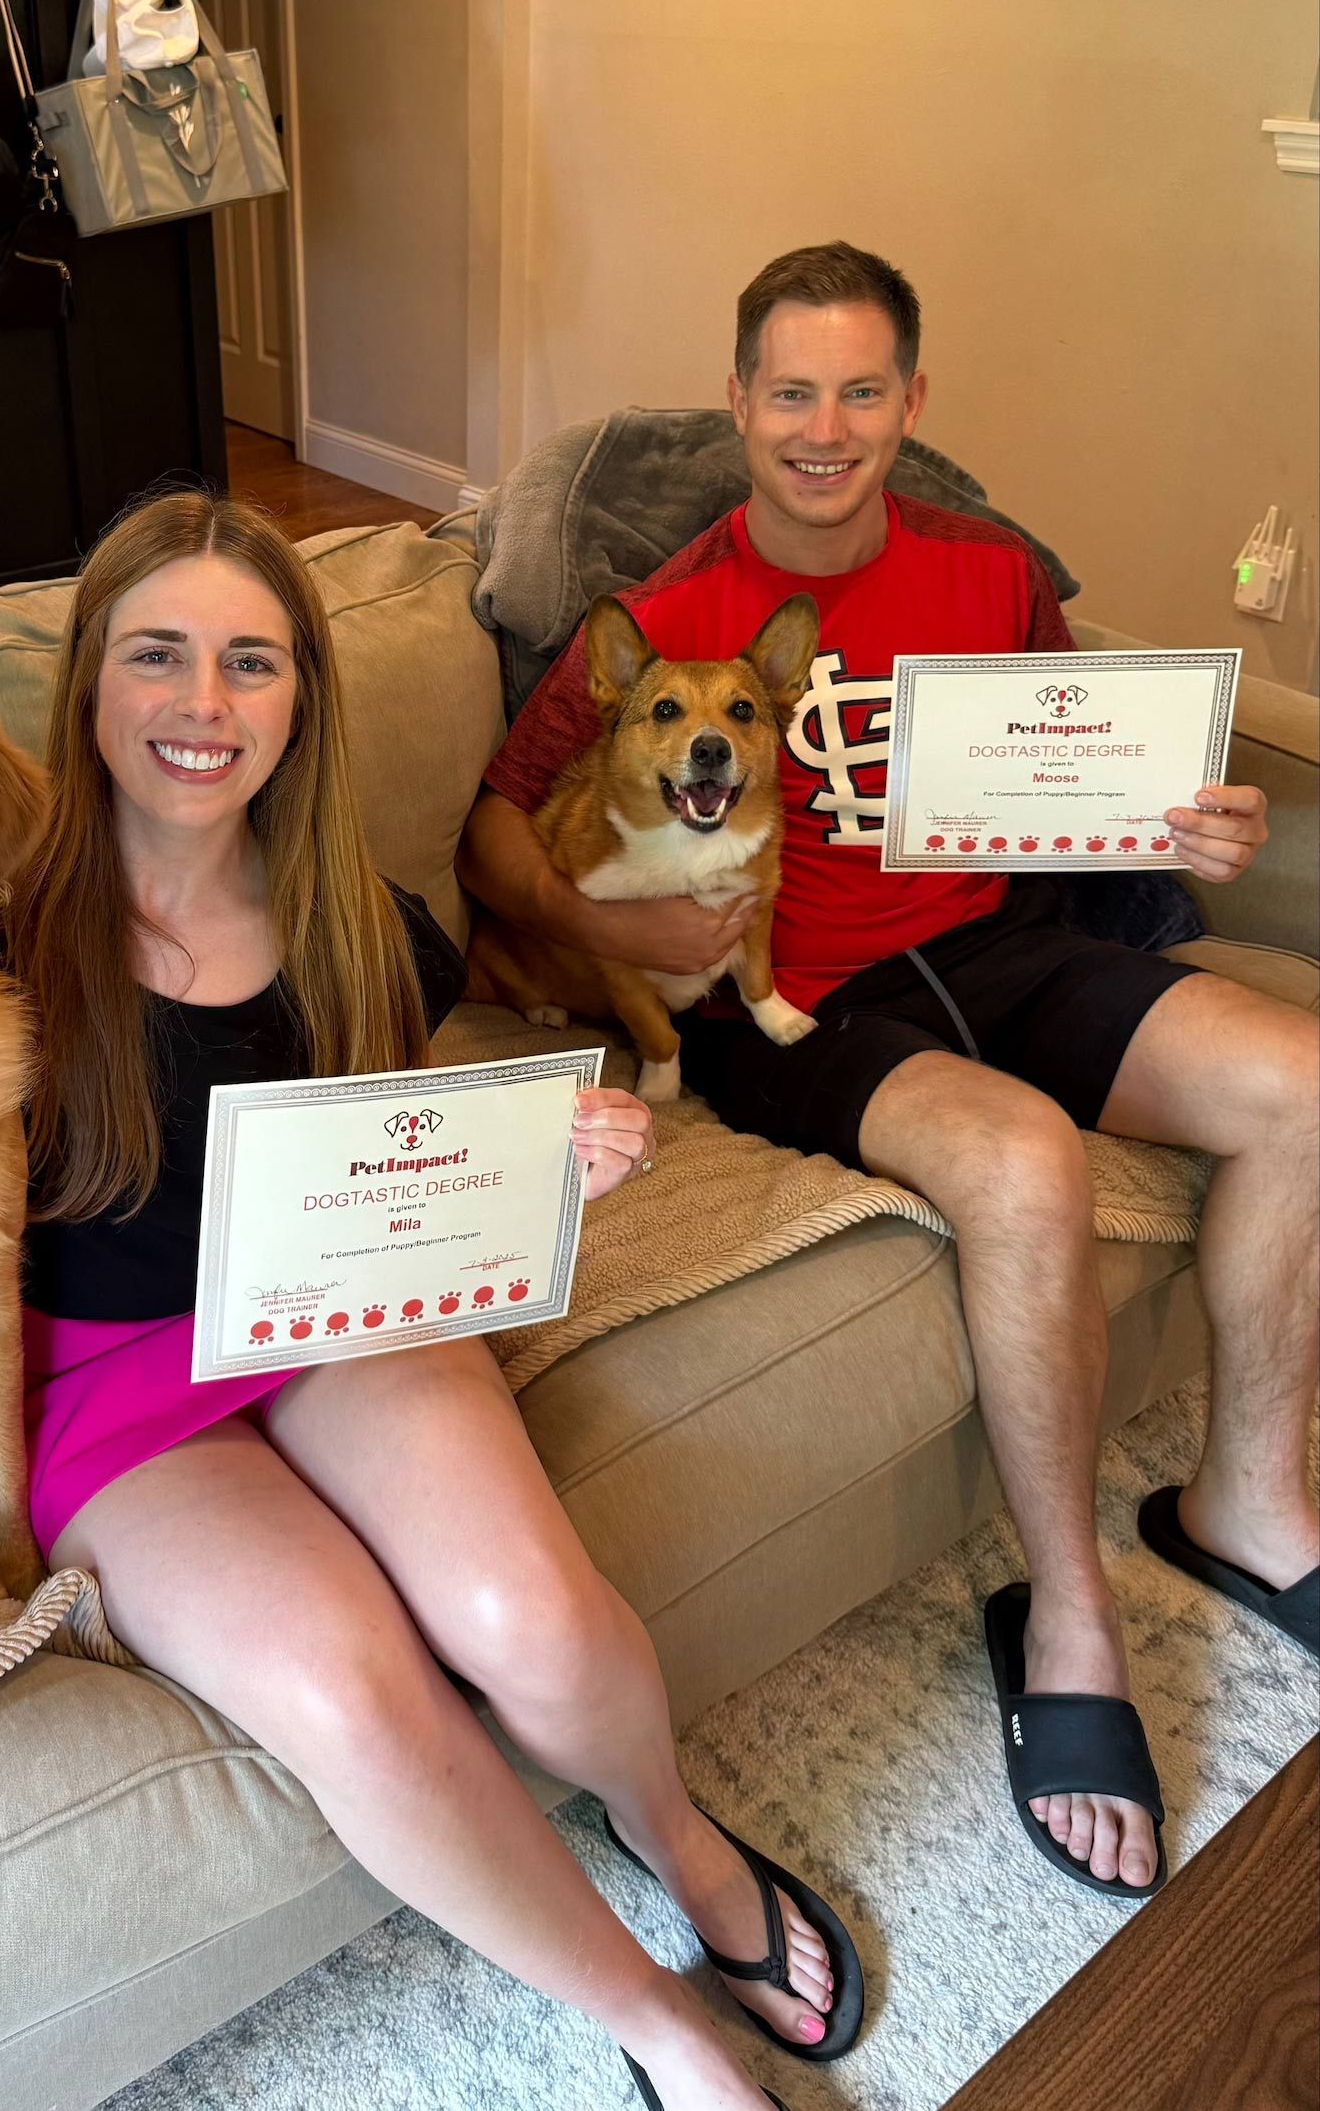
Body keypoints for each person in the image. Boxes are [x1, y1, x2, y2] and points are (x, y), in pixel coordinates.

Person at [459, 243, 1319, 1903]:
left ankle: (1250, 1507)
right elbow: (497, 818)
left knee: (1299, 1080)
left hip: (1003, 945)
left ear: (911, 403)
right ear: (741, 403)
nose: (826, 428)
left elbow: (1097, 764)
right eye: (792, 391)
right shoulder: (673, 614)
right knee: (1021, 1164)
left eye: (862, 391)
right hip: (804, 994)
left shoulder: (991, 577)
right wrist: (601, 930)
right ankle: (1069, 1615)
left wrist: (1202, 822)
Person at [0, 492, 866, 2111]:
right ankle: (660, 2026)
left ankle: (672, 1830)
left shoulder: (360, 920)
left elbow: (391, 1149)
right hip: (104, 1377)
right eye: (159, 657)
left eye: (252, 663)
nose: (204, 706)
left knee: (530, 1616)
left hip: (334, 1307)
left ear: (301, 699)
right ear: (89, 683)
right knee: (348, 1687)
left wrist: (538, 1152)